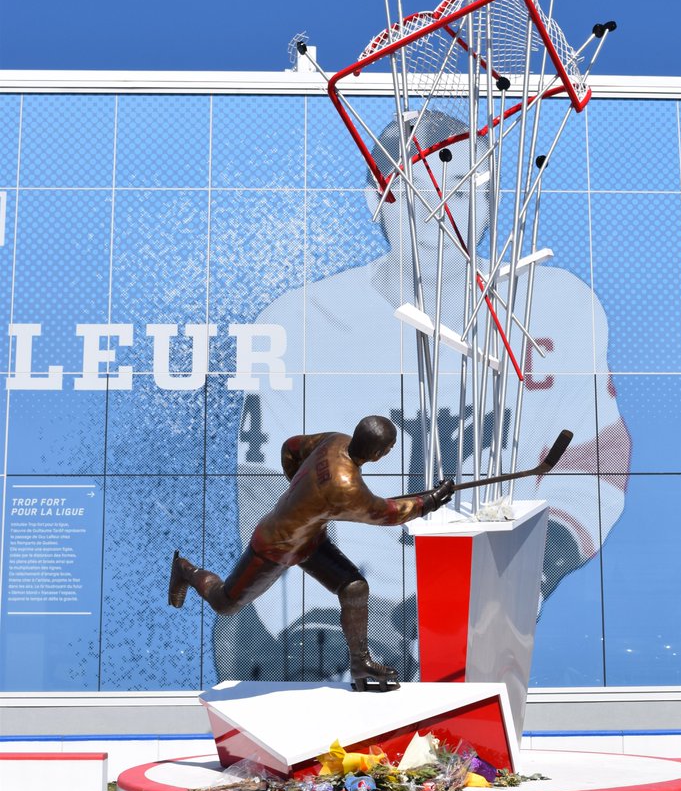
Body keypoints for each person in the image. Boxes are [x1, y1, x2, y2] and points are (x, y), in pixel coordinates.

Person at [223, 108, 630, 682]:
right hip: (338, 616)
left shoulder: (558, 305)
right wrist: (326, 612)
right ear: (377, 201)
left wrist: (517, 576)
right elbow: (269, 493)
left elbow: (594, 463)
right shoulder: (301, 321)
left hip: (483, 608)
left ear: (490, 203)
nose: (445, 214)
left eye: (466, 192)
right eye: (421, 192)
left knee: (469, 758)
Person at [170, 415, 454, 689]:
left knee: (354, 588)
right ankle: (185, 570)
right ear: (378, 453)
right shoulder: (345, 487)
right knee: (225, 603)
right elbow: (386, 513)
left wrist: (303, 493)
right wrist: (430, 501)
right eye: (389, 449)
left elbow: (291, 447)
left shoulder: (335, 442)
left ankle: (360, 664)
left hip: (309, 540)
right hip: (275, 545)